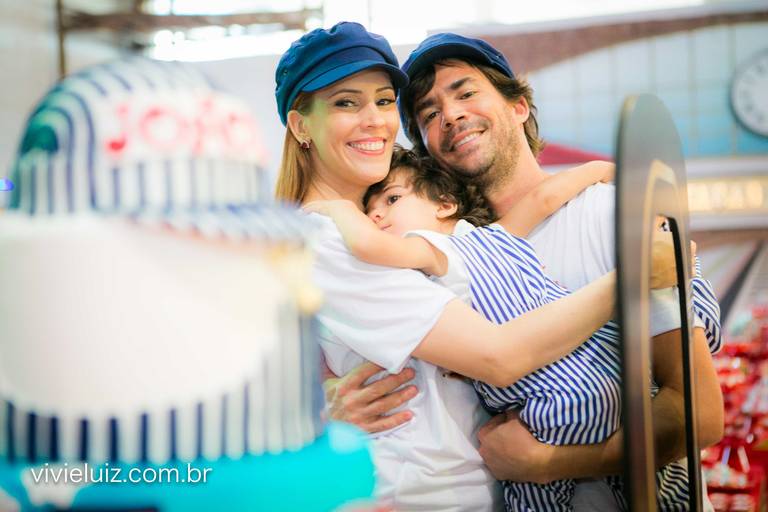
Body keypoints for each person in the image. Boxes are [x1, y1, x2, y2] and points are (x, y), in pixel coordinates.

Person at [274, 22, 682, 511]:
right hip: (429, 494)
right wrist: (635, 278)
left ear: (518, 105)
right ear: (301, 126)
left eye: (384, 101)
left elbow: (694, 405)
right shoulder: (336, 238)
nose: (374, 121)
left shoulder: (565, 220)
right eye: (346, 102)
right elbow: (499, 357)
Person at [306, 148, 690, 509]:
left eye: (391, 200)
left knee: (536, 496)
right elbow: (544, 199)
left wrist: (340, 210)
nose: (376, 215)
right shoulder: (499, 235)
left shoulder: (436, 251)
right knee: (645, 490)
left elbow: (371, 248)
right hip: (602, 365)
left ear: (445, 204)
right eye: (369, 209)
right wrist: (599, 169)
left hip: (547, 398)